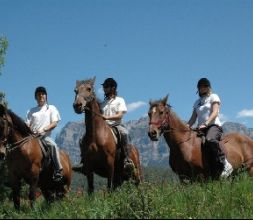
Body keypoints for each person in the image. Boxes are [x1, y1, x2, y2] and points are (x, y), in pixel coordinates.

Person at [187, 78, 233, 178]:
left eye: (204, 86)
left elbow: (215, 112)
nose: (202, 88)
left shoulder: (214, 97)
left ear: (208, 87)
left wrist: (206, 123)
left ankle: (225, 164)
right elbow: (193, 118)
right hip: (201, 128)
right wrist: (186, 126)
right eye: (200, 86)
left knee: (210, 139)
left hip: (213, 126)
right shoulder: (197, 102)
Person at [26, 86, 63, 182]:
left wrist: (43, 129)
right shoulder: (31, 110)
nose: (41, 96)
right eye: (38, 94)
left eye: (43, 94)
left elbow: (54, 123)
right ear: (35, 97)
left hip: (44, 136)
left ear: (46, 96)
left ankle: (58, 169)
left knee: (53, 145)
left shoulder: (51, 108)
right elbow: (27, 124)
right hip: (32, 136)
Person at [100, 78, 135, 173]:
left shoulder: (120, 100)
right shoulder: (102, 103)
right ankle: (84, 161)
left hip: (116, 125)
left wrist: (107, 118)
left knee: (125, 133)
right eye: (104, 86)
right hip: (104, 128)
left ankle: (127, 159)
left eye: (106, 86)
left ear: (113, 88)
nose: (104, 88)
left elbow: (120, 115)